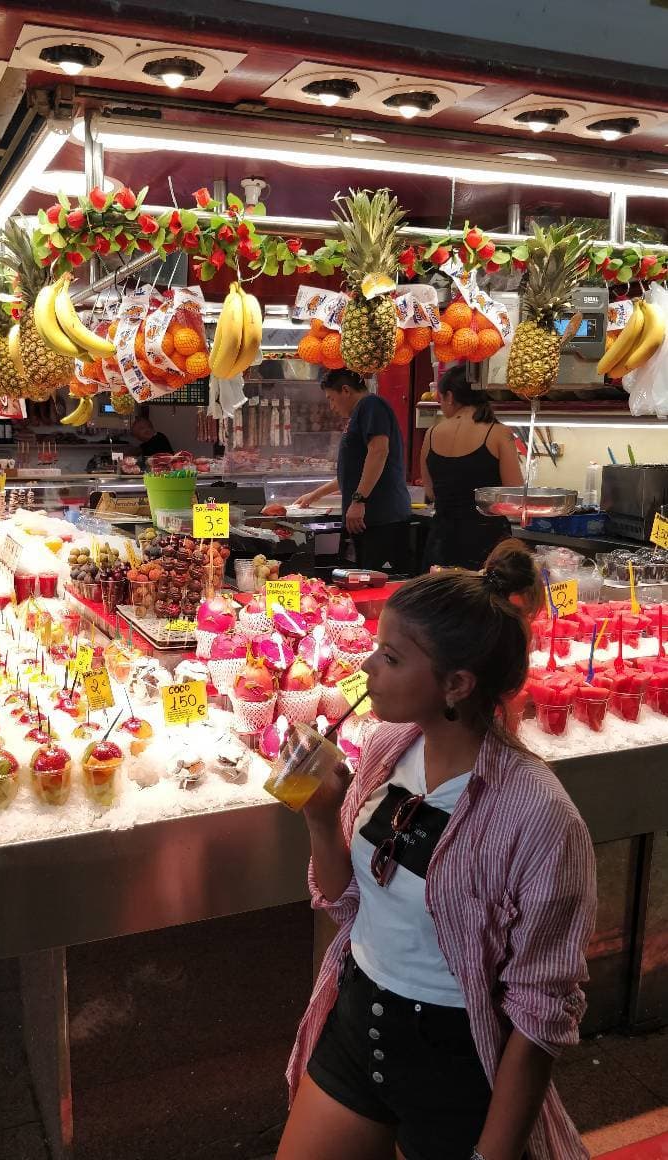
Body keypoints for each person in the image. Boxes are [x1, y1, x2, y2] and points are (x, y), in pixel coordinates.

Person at [279, 541, 596, 1160]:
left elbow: (539, 1016)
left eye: (391, 657)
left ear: (456, 683)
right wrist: (320, 818)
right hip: (358, 1018)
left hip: (456, 1060)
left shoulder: (538, 817)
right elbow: (346, 903)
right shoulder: (388, 746)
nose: (367, 668)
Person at [296, 370, 411, 573]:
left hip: (382, 518)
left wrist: (358, 501)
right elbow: (353, 471)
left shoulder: (372, 406)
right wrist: (314, 495)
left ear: (346, 390)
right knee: (362, 580)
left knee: (379, 582)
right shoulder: (360, 413)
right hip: (367, 520)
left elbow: (379, 451)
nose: (331, 406)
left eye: (332, 399)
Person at [421, 365, 523, 571]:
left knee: (441, 600)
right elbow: (515, 494)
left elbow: (430, 492)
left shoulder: (431, 434)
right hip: (487, 547)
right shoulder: (498, 433)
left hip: (442, 543)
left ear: (449, 397)